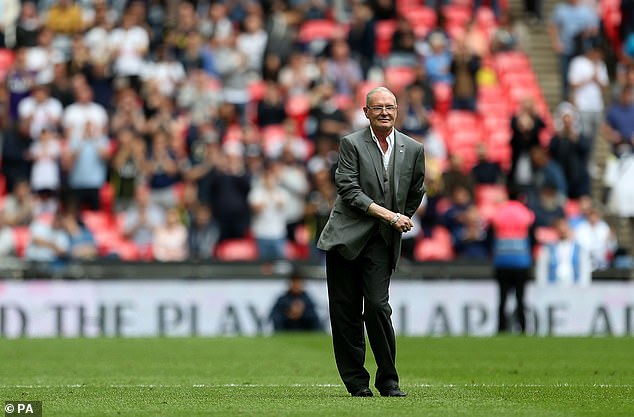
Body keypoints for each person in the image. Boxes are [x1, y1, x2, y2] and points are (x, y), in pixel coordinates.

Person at [317, 87, 426, 398]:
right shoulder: (351, 144)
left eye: (390, 107)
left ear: (397, 110)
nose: (384, 112)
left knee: (378, 307)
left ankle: (388, 380)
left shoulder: (413, 148)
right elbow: (348, 191)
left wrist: (401, 215)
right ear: (366, 112)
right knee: (345, 312)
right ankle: (357, 383)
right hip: (345, 239)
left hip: (380, 241)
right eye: (377, 107)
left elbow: (416, 190)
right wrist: (391, 216)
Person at [491, 188, 535, 334]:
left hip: (502, 260)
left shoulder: (500, 211)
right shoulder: (524, 211)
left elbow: (493, 230)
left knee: (502, 299)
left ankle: (501, 328)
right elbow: (531, 230)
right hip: (521, 261)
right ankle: (522, 328)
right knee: (520, 299)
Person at [536, 216, 592, 286]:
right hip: (553, 287)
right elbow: (542, 270)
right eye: (559, 227)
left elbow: (584, 270)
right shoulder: (547, 249)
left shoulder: (579, 249)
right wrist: (542, 287)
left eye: (564, 227)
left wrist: (583, 287)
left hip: (574, 287)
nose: (562, 230)